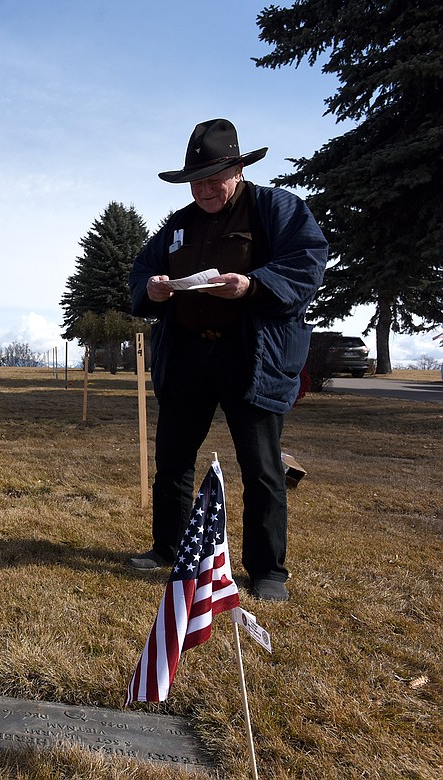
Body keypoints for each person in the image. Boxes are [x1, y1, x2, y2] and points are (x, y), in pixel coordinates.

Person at [128, 118, 328, 603]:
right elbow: (143, 269)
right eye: (196, 181)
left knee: (261, 467)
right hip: (189, 355)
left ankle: (267, 571)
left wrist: (253, 284)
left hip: (250, 353)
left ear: (238, 170)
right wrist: (152, 289)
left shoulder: (276, 208)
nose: (205, 189)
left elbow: (307, 261)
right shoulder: (179, 224)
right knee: (173, 458)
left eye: (214, 179)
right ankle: (167, 548)